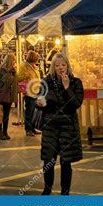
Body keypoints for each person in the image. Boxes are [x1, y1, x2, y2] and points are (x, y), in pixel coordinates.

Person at [38, 53, 84, 195]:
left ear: (67, 66)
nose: (60, 68)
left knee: (66, 161)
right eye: (57, 65)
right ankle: (47, 189)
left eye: (63, 65)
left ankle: (65, 191)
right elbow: (39, 102)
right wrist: (40, 102)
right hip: (50, 126)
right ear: (53, 67)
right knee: (48, 161)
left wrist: (66, 87)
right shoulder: (46, 82)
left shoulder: (76, 82)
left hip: (68, 127)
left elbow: (75, 103)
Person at [0, 53, 18, 140]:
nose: (15, 62)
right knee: (0, 115)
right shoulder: (0, 71)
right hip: (1, 96)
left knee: (6, 115)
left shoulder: (13, 71)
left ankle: (5, 132)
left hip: (9, 96)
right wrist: (1, 87)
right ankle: (0, 133)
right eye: (13, 60)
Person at [17, 51, 41, 137]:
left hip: (35, 91)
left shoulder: (33, 66)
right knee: (29, 112)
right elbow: (19, 77)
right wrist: (27, 75)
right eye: (36, 59)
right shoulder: (24, 66)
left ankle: (32, 128)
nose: (37, 61)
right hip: (29, 92)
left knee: (34, 112)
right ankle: (28, 129)